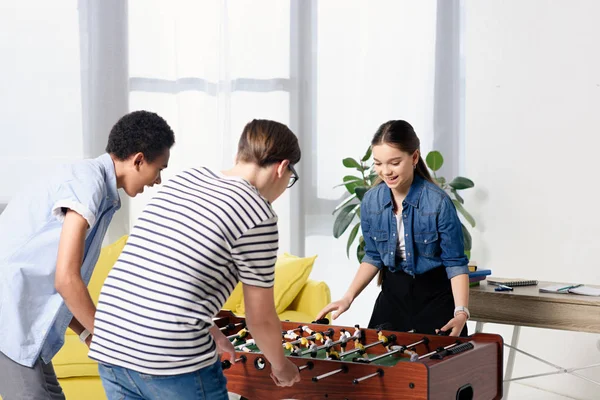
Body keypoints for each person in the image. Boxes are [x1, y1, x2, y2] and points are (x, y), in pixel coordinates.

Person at [88, 119, 302, 400]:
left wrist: (211, 330)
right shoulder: (258, 214)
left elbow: (165, 271)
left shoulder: (189, 178)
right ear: (282, 168)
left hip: (110, 341)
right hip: (170, 357)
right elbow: (259, 318)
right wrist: (282, 365)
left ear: (240, 154)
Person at [0, 110, 175, 399]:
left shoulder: (95, 186)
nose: (157, 181)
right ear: (139, 160)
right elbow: (66, 280)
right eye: (160, 169)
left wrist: (87, 334)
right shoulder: (88, 185)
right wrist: (110, 344)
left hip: (23, 319)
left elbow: (53, 279)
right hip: (9, 318)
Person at [317, 120, 470, 337]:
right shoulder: (371, 201)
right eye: (378, 163)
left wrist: (461, 312)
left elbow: (455, 262)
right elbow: (373, 256)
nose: (385, 171)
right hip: (393, 296)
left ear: (414, 157)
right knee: (376, 362)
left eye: (394, 162)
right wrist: (348, 297)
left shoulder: (438, 203)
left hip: (436, 298)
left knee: (438, 367)